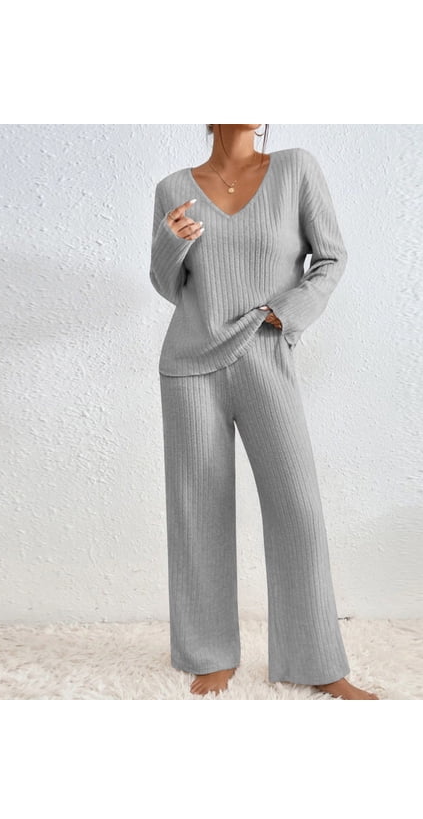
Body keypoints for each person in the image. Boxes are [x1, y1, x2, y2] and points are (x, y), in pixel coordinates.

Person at [149, 124, 378, 699]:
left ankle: (317, 662)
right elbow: (168, 285)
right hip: (189, 363)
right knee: (197, 509)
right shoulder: (173, 187)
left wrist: (285, 313)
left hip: (265, 350)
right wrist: (171, 242)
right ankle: (207, 655)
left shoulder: (296, 168)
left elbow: (331, 257)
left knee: (297, 509)